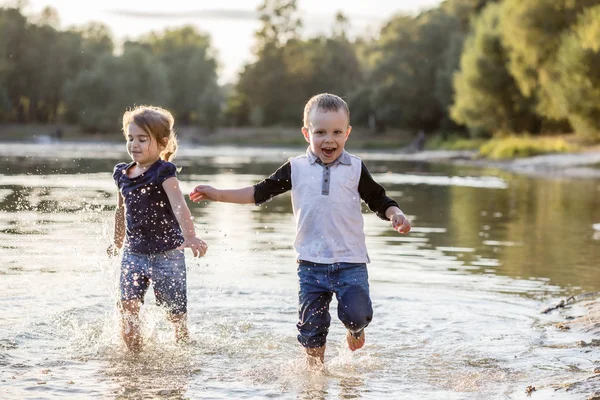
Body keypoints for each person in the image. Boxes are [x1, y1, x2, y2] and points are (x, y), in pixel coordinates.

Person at [189, 93, 410, 364]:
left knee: (357, 314)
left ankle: (355, 330)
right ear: (307, 133)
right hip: (310, 263)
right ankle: (314, 379)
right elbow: (259, 192)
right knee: (311, 329)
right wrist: (217, 194)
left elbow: (378, 198)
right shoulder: (296, 167)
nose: (329, 140)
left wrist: (395, 213)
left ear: (347, 133)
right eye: (320, 132)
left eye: (337, 132)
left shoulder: (355, 167)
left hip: (350, 260)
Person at [109, 105, 208, 352]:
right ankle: (134, 356)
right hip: (134, 253)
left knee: (174, 311)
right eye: (130, 138)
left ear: (162, 143)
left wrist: (191, 236)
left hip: (168, 254)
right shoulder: (122, 173)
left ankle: (182, 339)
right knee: (128, 305)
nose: (134, 145)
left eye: (143, 139)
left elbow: (179, 206)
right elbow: (121, 211)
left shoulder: (164, 172)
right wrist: (117, 241)